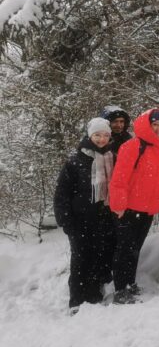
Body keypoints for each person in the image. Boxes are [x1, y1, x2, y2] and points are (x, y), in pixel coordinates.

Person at [109, 108, 159, 304]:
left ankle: (130, 284)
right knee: (124, 250)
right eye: (156, 124)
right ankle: (120, 290)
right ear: (148, 125)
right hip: (128, 209)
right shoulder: (133, 146)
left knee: (135, 248)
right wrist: (118, 205)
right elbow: (119, 178)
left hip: (147, 210)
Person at [54, 117, 115, 311]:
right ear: (90, 136)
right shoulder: (75, 161)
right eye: (97, 135)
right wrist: (65, 220)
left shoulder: (112, 157)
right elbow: (61, 193)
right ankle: (76, 301)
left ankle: (94, 296)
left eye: (105, 135)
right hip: (79, 221)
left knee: (99, 258)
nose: (101, 139)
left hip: (104, 219)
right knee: (80, 260)